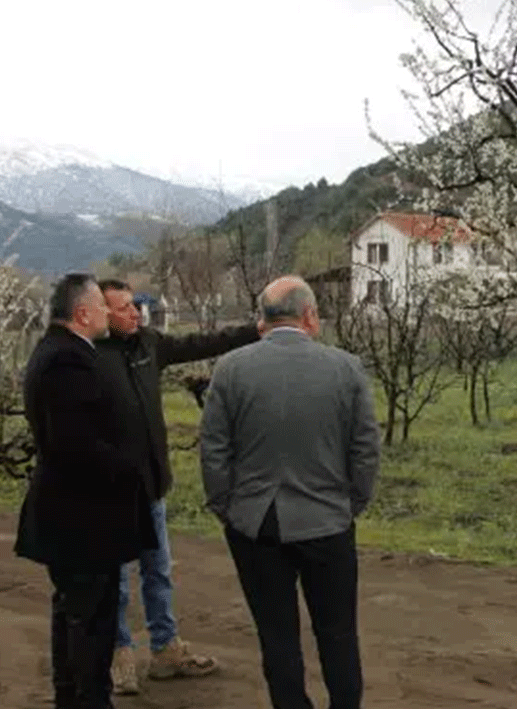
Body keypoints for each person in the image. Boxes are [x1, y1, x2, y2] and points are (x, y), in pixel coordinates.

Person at [199, 275, 381, 709]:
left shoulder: (230, 369)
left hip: (256, 523)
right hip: (328, 522)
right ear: (310, 316)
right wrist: (350, 503)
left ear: (261, 320)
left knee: (277, 637)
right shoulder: (345, 368)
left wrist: (228, 508)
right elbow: (366, 449)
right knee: (338, 634)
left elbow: (214, 451)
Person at [94, 279, 260, 694]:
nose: (135, 313)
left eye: (135, 305)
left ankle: (166, 649)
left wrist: (253, 330)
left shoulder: (149, 344)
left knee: (158, 570)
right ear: (101, 313)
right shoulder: (90, 358)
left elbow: (201, 343)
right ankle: (118, 654)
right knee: (113, 578)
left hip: (152, 484)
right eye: (124, 308)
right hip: (110, 490)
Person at [14, 273, 158, 709]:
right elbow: (76, 445)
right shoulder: (66, 362)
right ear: (81, 313)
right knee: (90, 625)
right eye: (100, 307)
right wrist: (131, 466)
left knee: (74, 615)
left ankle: (71, 697)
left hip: (76, 519)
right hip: (82, 522)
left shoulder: (62, 352)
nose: (106, 316)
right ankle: (87, 699)